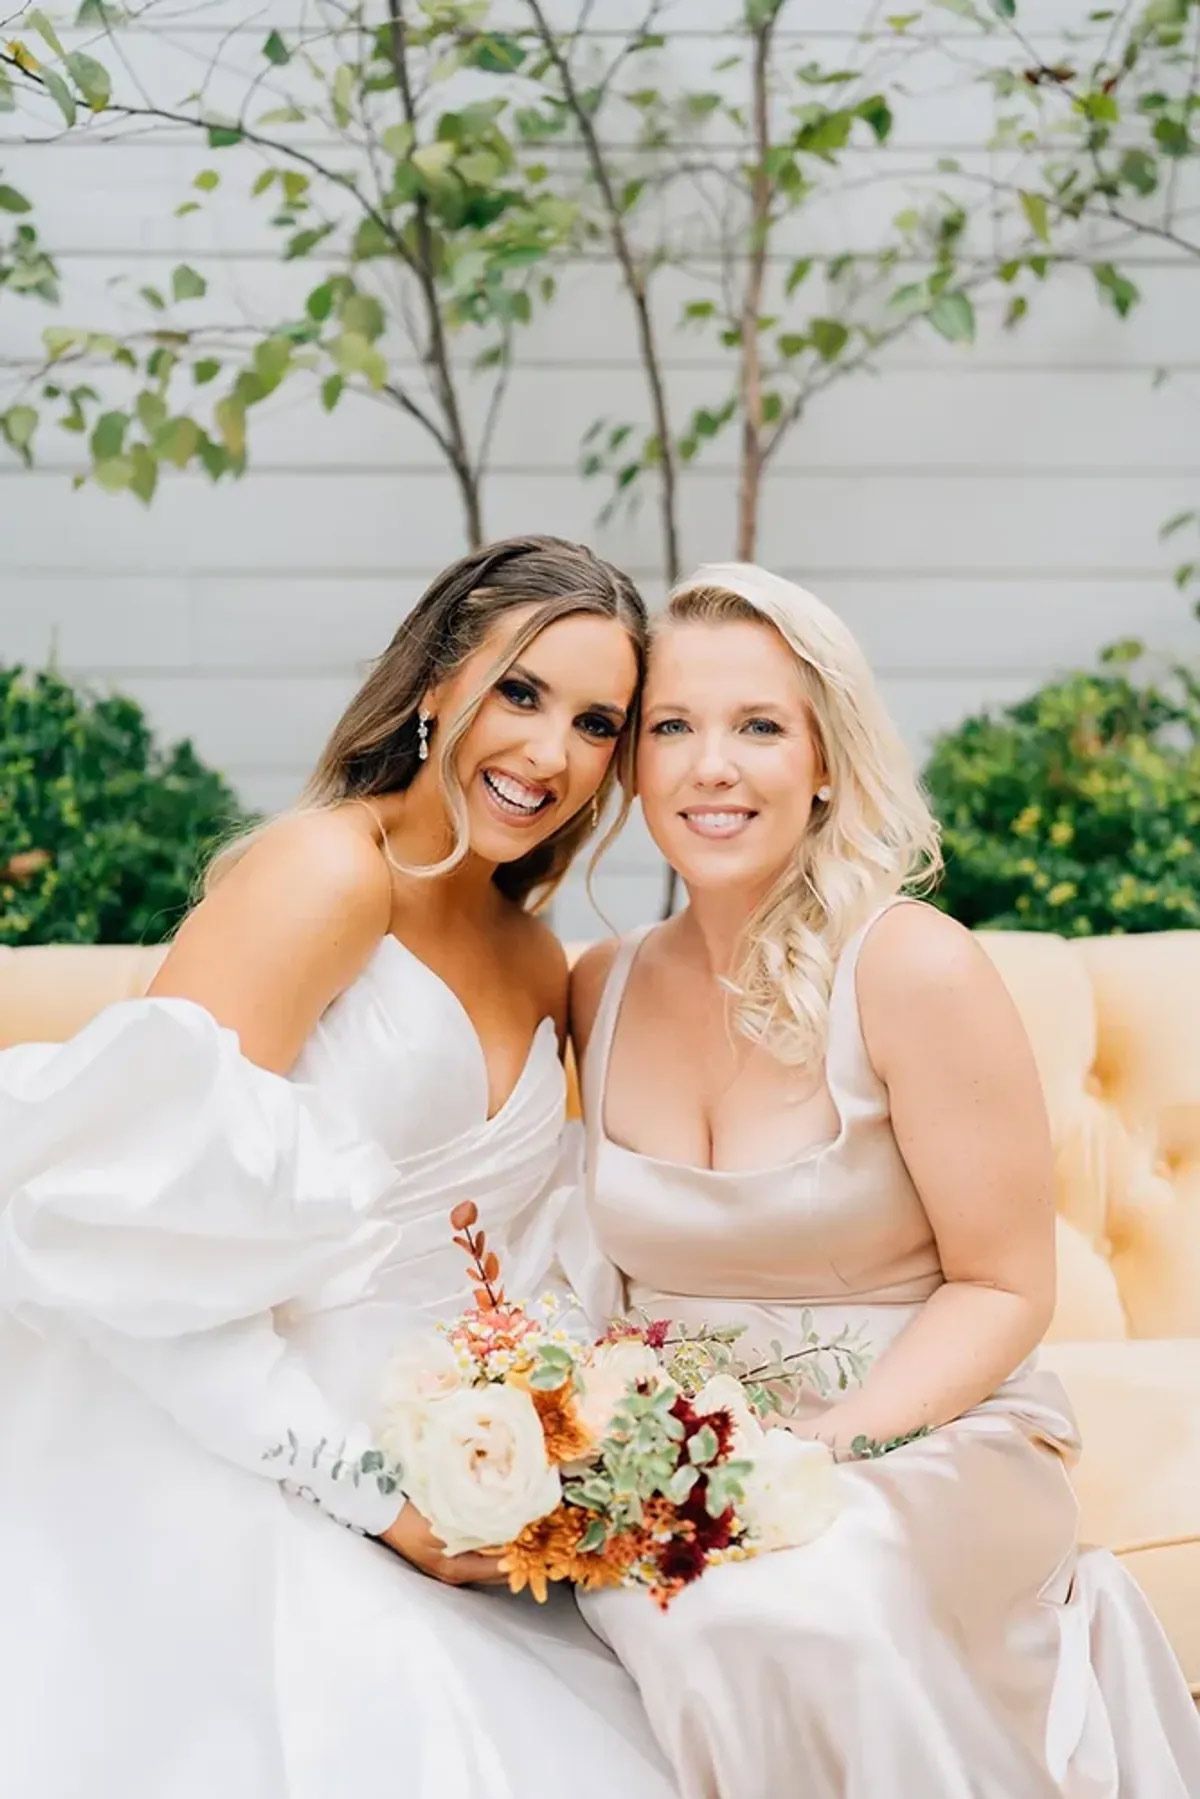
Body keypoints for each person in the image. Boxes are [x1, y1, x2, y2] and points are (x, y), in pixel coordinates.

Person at [0, 537, 674, 1799]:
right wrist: (375, 1494)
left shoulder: (544, 964)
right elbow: (136, 1262)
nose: (547, 752)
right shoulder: (323, 873)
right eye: (519, 691)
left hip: (442, 1479)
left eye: (596, 721)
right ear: (433, 685)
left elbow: (516, 1280)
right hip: (226, 1441)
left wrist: (551, 1456)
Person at [570, 562, 1200, 1799]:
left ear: (824, 759)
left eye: (760, 725)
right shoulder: (600, 985)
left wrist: (818, 1451)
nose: (712, 765)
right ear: (633, 765)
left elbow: (1003, 1283)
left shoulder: (912, 969)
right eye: (673, 727)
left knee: (791, 1603)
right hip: (684, 1454)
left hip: (930, 1439)